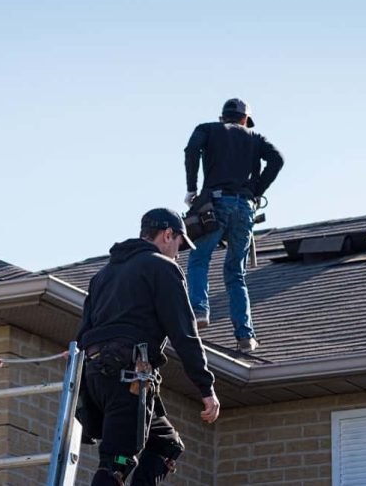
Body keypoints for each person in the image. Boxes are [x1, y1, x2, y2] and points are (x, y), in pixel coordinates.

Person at [76, 207, 220, 485]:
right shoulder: (163, 268)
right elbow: (184, 334)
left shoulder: (102, 276)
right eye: (179, 244)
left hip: (97, 379)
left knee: (166, 444)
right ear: (168, 234)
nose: (179, 253)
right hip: (127, 377)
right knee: (116, 462)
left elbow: (82, 334)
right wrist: (206, 387)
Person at [184, 97, 284, 353]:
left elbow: (191, 150)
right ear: (244, 119)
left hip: (216, 204)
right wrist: (256, 189)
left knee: (199, 258)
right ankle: (245, 336)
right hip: (244, 208)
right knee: (235, 272)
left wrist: (192, 188)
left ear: (223, 117)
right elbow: (277, 160)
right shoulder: (255, 138)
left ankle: (199, 311)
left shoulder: (207, 130)